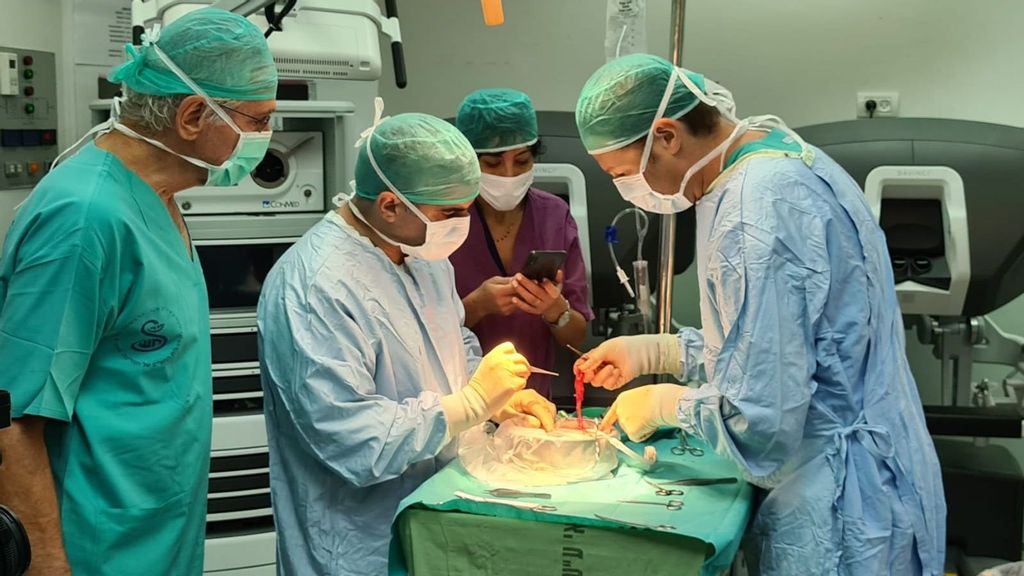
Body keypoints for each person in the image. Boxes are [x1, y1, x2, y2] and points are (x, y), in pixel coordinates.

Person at [573, 54, 945, 575]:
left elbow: (762, 421)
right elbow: (791, 345)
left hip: (838, 505)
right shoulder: (783, 158)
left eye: (622, 174)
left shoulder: (755, 210)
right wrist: (662, 352)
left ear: (667, 137)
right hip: (874, 474)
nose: (629, 189)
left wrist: (666, 405)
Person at [0, 8, 277, 575]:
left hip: (156, 527)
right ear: (195, 114)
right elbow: (15, 419)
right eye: (258, 120)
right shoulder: (84, 220)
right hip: (93, 543)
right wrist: (47, 562)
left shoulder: (162, 196)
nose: (264, 138)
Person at [258, 107, 556, 576]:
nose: (463, 224)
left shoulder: (423, 253)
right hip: (359, 540)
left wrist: (496, 397)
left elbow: (449, 340)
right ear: (390, 206)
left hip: (435, 516)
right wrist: (471, 404)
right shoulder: (316, 287)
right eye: (451, 213)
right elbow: (351, 440)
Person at [450, 88, 593, 398]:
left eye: (522, 160)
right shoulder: (444, 220)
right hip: (459, 401)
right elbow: (415, 337)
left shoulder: (554, 215)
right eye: (492, 163)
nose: (509, 174)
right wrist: (475, 306)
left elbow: (577, 336)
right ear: (467, 161)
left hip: (533, 402)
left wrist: (556, 311)